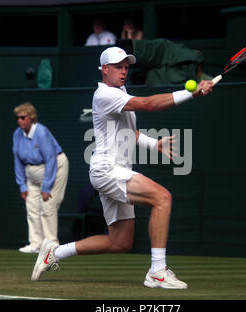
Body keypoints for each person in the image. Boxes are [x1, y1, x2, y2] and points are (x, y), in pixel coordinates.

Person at [31, 47, 214, 289]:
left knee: (120, 242)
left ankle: (55, 252)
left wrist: (154, 144)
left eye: (126, 67)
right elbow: (149, 104)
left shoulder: (120, 91)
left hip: (111, 171)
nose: (123, 71)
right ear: (104, 69)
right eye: (118, 66)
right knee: (162, 198)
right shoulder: (105, 95)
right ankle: (157, 271)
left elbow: (130, 132)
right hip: (108, 170)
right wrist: (191, 94)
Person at [13, 103, 69, 253]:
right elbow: (17, 160)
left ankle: (51, 244)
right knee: (32, 208)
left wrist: (46, 186)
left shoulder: (41, 132)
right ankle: (36, 243)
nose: (19, 121)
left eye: (23, 117)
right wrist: (22, 185)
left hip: (55, 169)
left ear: (31, 118)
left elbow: (51, 160)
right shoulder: (17, 134)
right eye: (17, 118)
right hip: (31, 175)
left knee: (48, 206)